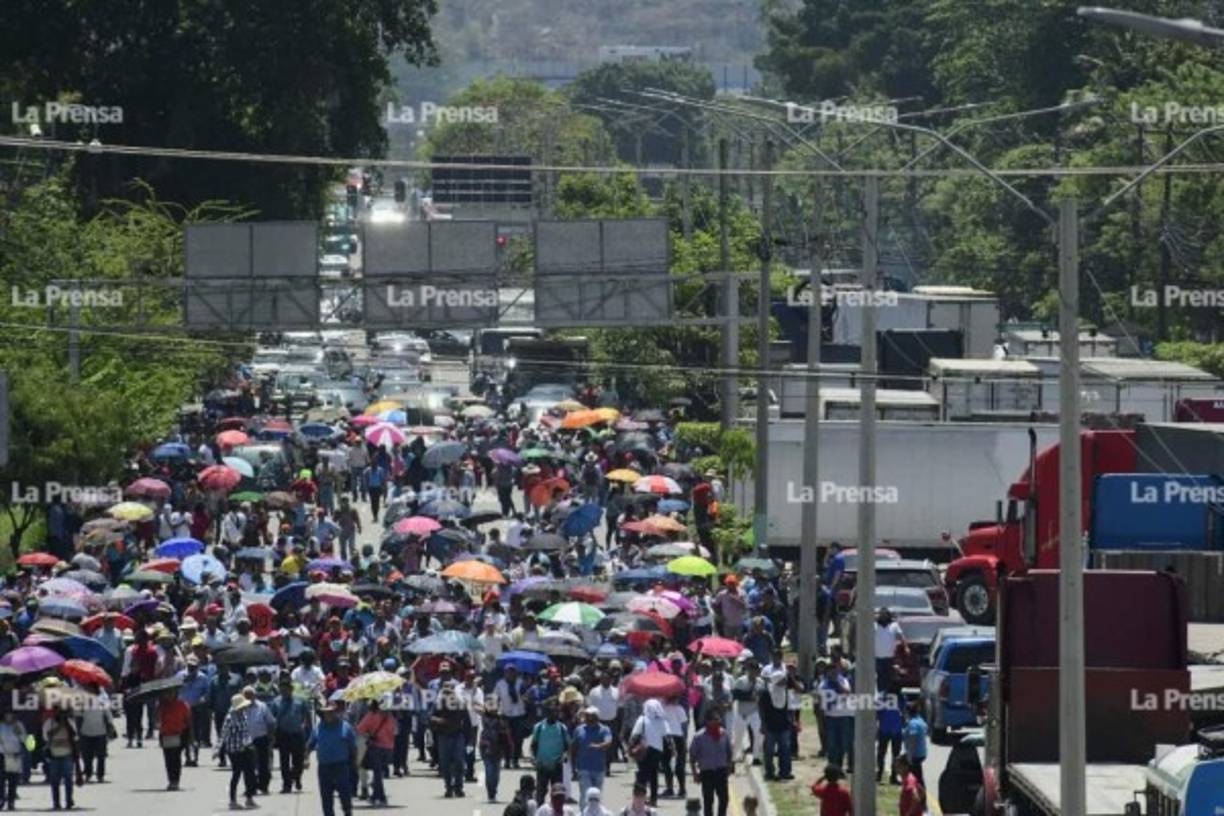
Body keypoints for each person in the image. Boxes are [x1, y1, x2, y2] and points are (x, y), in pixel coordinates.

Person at [308, 701, 358, 816]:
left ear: (336, 712)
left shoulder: (345, 727)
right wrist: (306, 758)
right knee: (326, 797)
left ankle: (347, 811)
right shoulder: (318, 728)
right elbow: (310, 744)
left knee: (345, 794)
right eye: (326, 713)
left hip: (341, 766)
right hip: (324, 767)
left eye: (331, 712)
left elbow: (353, 747)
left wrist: (354, 763)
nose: (329, 715)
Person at [269, 675, 311, 793]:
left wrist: (308, 733)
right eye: (282, 688)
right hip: (283, 735)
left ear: (291, 689)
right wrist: (272, 735)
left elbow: (307, 718)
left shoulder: (300, 701)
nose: (284, 691)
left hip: (297, 734)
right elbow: (272, 719)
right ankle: (286, 785)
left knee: (298, 761)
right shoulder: (276, 702)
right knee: (284, 761)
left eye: (286, 688)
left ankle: (296, 777)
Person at [688, 710, 733, 816]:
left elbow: (729, 752)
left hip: (721, 771)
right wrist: (695, 773)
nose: (718, 722)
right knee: (708, 801)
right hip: (707, 772)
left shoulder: (724, 734)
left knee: (724, 799)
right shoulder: (699, 737)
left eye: (719, 719)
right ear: (708, 721)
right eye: (715, 720)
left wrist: (729, 766)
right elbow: (692, 757)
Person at [220, 691, 258, 810]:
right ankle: (232, 800)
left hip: (246, 747)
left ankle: (249, 798)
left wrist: (250, 743)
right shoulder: (230, 718)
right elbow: (224, 734)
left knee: (249, 773)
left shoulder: (243, 714)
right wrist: (218, 750)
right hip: (235, 750)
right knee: (236, 774)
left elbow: (246, 731)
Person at [356, 698, 397, 806]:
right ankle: (376, 796)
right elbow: (395, 731)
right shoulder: (390, 717)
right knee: (379, 773)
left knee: (377, 774)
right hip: (389, 749)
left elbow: (359, 730)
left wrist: (369, 735)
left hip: (376, 748)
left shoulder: (371, 716)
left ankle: (381, 797)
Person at [432, 681, 469, 798]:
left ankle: (458, 787)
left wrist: (470, 738)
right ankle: (448, 787)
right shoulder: (438, 703)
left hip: (458, 735)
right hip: (443, 736)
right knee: (445, 764)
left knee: (459, 762)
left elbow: (467, 720)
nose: (448, 691)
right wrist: (438, 720)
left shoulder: (460, 703)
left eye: (450, 688)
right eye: (445, 689)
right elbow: (431, 717)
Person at [628, 700, 668, 806]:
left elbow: (634, 734)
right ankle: (653, 799)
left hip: (644, 750)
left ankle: (639, 799)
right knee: (654, 775)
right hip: (657, 751)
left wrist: (630, 748)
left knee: (642, 775)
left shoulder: (642, 719)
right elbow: (665, 735)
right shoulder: (661, 720)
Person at [530, 704, 571, 805]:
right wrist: (533, 758)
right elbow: (533, 745)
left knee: (557, 793)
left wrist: (565, 756)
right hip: (542, 764)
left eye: (555, 712)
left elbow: (568, 746)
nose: (553, 714)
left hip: (557, 764)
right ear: (546, 714)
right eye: (551, 712)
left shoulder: (562, 728)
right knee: (540, 793)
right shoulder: (539, 727)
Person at [571, 707, 612, 796]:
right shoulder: (579, 730)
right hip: (583, 768)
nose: (589, 719)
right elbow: (573, 748)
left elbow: (608, 742)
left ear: (597, 718)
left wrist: (598, 746)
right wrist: (573, 768)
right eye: (587, 717)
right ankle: (584, 810)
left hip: (599, 768)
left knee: (596, 795)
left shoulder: (604, 729)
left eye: (592, 717)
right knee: (586, 794)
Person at [43, 707, 79, 811]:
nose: (61, 715)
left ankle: (68, 802)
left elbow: (75, 737)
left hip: (67, 754)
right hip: (54, 755)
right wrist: (59, 727)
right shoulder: (49, 723)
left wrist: (66, 725)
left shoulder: (70, 723)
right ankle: (56, 803)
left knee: (68, 780)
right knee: (54, 780)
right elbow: (46, 737)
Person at [158, 687, 193, 791]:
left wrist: (191, 737)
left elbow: (188, 721)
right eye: (167, 693)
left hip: (179, 734)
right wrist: (161, 706)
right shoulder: (162, 706)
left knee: (176, 758)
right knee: (168, 759)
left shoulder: (182, 704)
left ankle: (175, 781)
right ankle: (170, 780)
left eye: (171, 693)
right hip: (166, 735)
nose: (169, 695)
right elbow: (156, 719)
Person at [480, 701, 514, 802]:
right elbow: (479, 710)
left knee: (496, 774)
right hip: (486, 748)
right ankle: (490, 794)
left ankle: (493, 791)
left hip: (498, 749)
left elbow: (506, 733)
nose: (493, 710)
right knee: (489, 772)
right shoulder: (485, 718)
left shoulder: (501, 719)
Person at [873, 609, 907, 692]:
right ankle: (881, 693)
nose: (883, 617)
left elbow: (901, 636)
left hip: (890, 657)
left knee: (889, 677)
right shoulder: (874, 625)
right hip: (878, 657)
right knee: (880, 676)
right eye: (882, 615)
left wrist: (906, 647)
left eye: (885, 615)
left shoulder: (894, 625)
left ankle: (887, 693)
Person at [0, 710, 26, 810]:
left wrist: (20, 734)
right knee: (1, 780)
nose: (9, 716)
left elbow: (26, 740)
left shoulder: (19, 725)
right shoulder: (1, 726)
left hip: (15, 755)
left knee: (13, 780)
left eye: (11, 714)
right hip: (2, 755)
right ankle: (1, 799)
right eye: (7, 714)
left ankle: (11, 802)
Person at [877, 689, 904, 784]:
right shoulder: (883, 697)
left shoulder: (900, 697)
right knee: (883, 753)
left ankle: (892, 776)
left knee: (893, 755)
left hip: (892, 729)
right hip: (888, 729)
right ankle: (881, 774)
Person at [901, 704, 928, 788]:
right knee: (917, 776)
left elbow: (913, 739)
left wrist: (909, 756)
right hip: (921, 753)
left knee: (915, 778)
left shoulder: (913, 724)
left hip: (915, 755)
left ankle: (918, 796)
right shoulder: (921, 721)